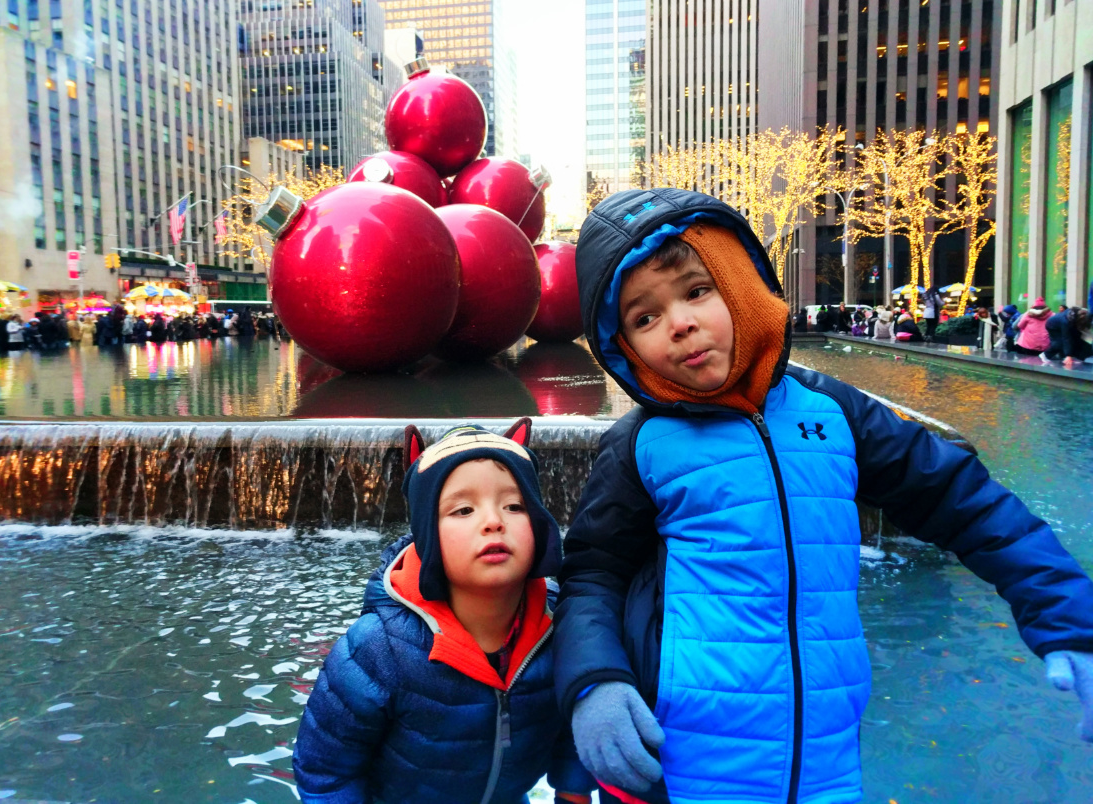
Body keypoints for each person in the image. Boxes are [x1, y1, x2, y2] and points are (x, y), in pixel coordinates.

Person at [553, 188, 1093, 804]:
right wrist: (595, 682)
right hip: (684, 763)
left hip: (825, 762)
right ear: (622, 347)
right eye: (643, 318)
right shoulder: (641, 444)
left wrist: (1068, 616)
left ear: (744, 281)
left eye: (697, 290)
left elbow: (962, 499)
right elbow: (593, 574)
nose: (678, 323)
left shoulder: (832, 412)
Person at [293, 420, 594, 804]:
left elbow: (575, 723)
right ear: (426, 535)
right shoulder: (377, 650)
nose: (493, 521)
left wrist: (573, 791)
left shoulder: (562, 625)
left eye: (514, 505)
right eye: (464, 509)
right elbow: (325, 772)